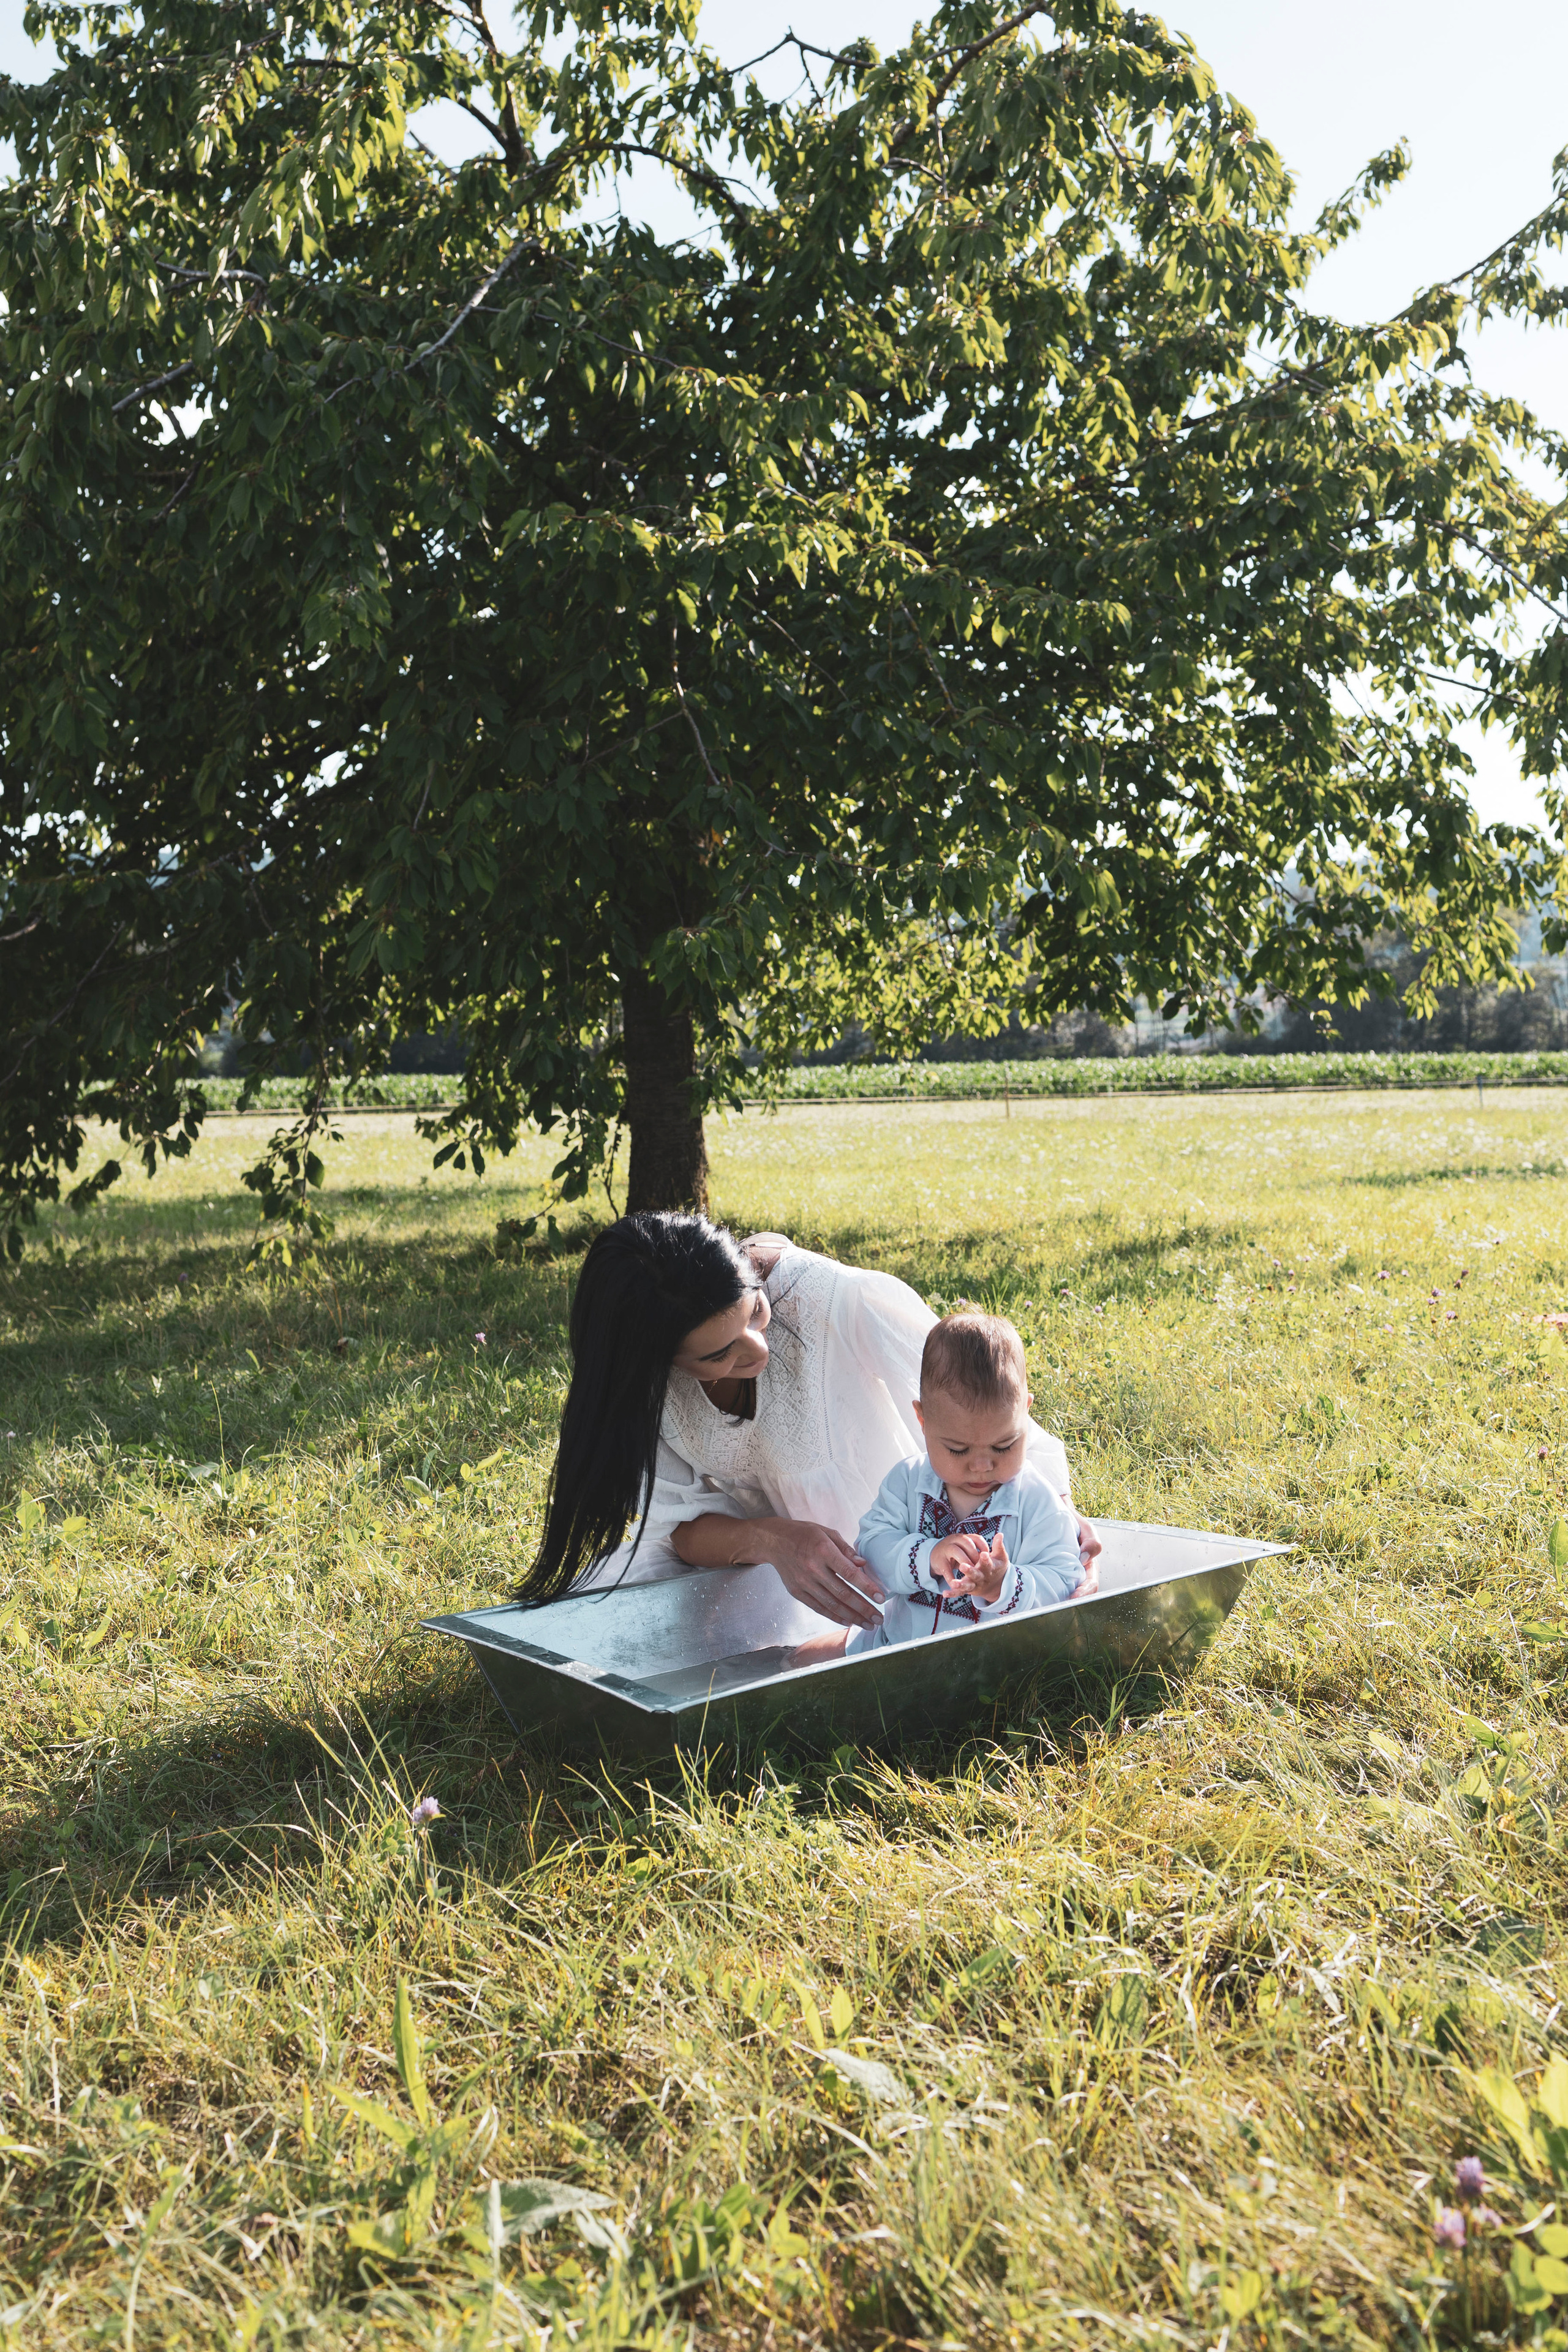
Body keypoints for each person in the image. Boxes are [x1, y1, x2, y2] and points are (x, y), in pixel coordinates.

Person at [519, 1212, 1099, 1632]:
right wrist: (771, 1540)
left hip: (920, 1556)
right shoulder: (653, 1394)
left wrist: (1063, 1518)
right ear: (660, 1362)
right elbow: (677, 1528)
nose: (756, 1352)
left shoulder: (842, 1304)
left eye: (756, 1313)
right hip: (790, 1576)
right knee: (611, 1613)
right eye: (718, 1355)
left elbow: (990, 1411)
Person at [843, 1311, 1082, 1652]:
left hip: (993, 1670)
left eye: (1004, 1446)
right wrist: (927, 1555)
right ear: (922, 1420)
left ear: (1025, 1413)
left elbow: (1064, 1585)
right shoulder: (908, 1482)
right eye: (958, 1450)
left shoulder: (1036, 1501)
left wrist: (1002, 1585)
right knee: (802, 1661)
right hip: (894, 1652)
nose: (982, 1467)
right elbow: (870, 1554)